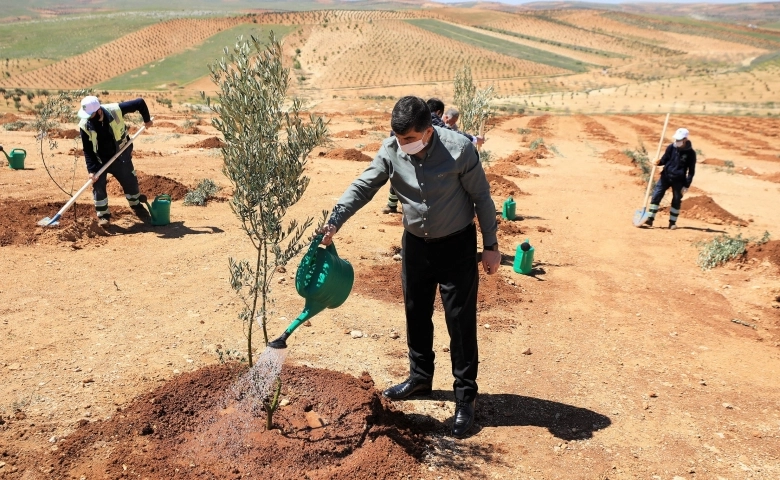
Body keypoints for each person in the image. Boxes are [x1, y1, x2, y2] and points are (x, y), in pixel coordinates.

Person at [321, 96, 500, 438]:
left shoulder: (460, 150)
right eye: (399, 139)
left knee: (459, 322)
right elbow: (362, 187)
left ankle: (465, 398)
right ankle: (420, 378)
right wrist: (334, 222)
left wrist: (490, 246)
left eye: (409, 139)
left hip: (457, 245)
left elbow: (482, 197)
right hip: (416, 245)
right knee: (416, 311)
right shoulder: (391, 150)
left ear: (428, 131)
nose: (403, 146)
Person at [381, 99, 483, 214]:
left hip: (399, 146)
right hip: (409, 149)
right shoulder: (430, 117)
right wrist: (474, 139)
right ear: (439, 112)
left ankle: (392, 205)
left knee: (398, 175)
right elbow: (448, 133)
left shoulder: (414, 114)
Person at [77, 95, 153, 227]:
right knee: (98, 186)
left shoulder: (115, 110)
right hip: (100, 159)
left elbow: (139, 102)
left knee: (130, 181)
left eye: (90, 114)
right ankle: (103, 216)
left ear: (98, 110)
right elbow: (88, 150)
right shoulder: (84, 125)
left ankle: (137, 206)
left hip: (121, 154)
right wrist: (92, 170)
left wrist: (147, 120)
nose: (87, 117)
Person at [643, 127, 696, 230]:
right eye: (676, 139)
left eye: (680, 140)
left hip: (679, 180)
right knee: (656, 196)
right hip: (665, 176)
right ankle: (650, 219)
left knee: (676, 200)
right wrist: (658, 162)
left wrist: (686, 185)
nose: (677, 141)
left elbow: (691, 171)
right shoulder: (671, 148)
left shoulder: (691, 153)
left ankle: (672, 223)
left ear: (685, 139)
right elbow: (664, 160)